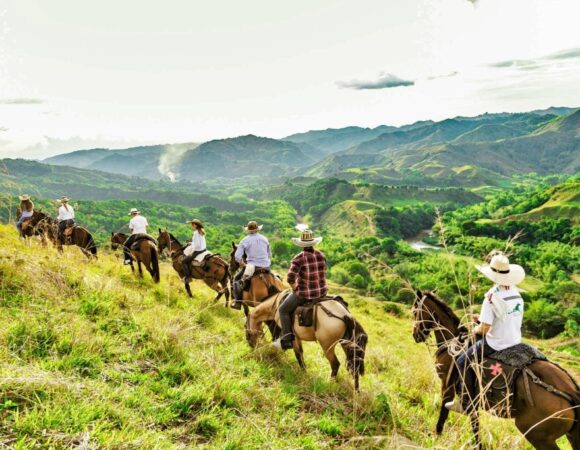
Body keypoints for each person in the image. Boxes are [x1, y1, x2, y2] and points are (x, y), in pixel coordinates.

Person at [445, 252, 526, 414]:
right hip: (515, 341)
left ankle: (465, 402)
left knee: (462, 361)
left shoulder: (491, 296)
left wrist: (475, 328)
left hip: (496, 343)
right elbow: (505, 318)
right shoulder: (516, 293)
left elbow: (484, 329)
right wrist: (481, 319)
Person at [273, 226, 326, 350]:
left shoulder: (299, 258)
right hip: (321, 292)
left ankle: (286, 340)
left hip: (304, 294)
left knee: (283, 310)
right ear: (313, 243)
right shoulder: (321, 255)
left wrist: (295, 287)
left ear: (301, 244)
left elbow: (290, 278)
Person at [231, 221, 271, 309]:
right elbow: (269, 255)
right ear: (258, 229)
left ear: (248, 230)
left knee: (236, 279)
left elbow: (237, 256)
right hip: (266, 266)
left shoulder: (245, 240)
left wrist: (241, 262)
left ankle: (237, 302)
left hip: (252, 267)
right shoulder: (265, 239)